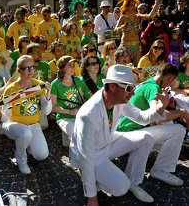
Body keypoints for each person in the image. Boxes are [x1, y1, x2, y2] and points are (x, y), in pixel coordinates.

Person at [70, 64, 170, 205]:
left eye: (133, 88)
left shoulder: (120, 100)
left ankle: (133, 182)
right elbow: (86, 157)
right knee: (121, 187)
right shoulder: (88, 115)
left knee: (146, 138)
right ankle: (98, 181)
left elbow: (140, 117)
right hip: (92, 153)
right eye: (129, 88)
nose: (133, 93)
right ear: (112, 86)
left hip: (108, 140)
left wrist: (159, 109)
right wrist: (91, 197)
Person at [117, 64, 186, 189]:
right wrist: (182, 112)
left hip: (124, 131)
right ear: (169, 78)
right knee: (179, 130)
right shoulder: (154, 88)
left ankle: (162, 164)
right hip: (130, 134)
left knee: (171, 129)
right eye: (172, 82)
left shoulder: (146, 83)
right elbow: (158, 116)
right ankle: (161, 169)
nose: (170, 86)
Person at [0, 55, 52, 174]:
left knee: (42, 155)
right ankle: (21, 161)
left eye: (32, 67)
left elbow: (46, 111)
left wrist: (49, 95)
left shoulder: (38, 85)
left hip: (34, 125)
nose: (31, 71)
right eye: (26, 68)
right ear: (18, 70)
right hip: (15, 124)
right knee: (25, 134)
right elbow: (5, 116)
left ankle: (28, 143)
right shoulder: (11, 89)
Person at [115, 0, 159, 66]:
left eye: (134, 5)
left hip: (136, 45)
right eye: (131, 5)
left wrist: (155, 3)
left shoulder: (137, 17)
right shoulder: (123, 18)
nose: (134, 7)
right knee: (126, 67)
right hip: (125, 45)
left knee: (137, 66)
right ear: (127, 6)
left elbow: (149, 16)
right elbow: (115, 30)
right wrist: (122, 27)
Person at [51, 55, 84, 147]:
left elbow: (81, 100)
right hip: (64, 116)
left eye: (73, 65)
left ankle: (67, 138)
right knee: (76, 136)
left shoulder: (78, 80)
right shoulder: (55, 84)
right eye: (70, 65)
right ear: (62, 68)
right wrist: (69, 111)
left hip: (77, 115)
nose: (73, 67)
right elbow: (53, 107)